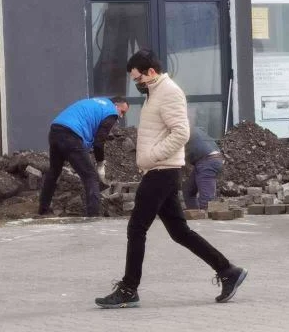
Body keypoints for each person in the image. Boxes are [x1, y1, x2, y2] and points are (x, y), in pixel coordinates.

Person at [95, 49, 247, 309]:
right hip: (160, 170)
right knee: (179, 232)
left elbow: (181, 133)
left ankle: (129, 288)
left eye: (137, 79)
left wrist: (152, 156)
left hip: (162, 170)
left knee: (136, 228)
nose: (137, 84)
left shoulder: (169, 92)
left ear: (150, 72)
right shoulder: (156, 92)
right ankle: (228, 271)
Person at [38, 96, 129, 217]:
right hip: (71, 134)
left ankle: (43, 210)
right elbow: (99, 142)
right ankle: (93, 216)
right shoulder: (111, 112)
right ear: (116, 105)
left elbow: (87, 127)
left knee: (54, 171)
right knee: (91, 176)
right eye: (122, 112)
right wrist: (100, 164)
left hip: (55, 129)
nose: (121, 116)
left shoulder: (96, 103)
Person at [183, 126, 224, 211]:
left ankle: (208, 216)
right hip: (210, 159)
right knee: (188, 190)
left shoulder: (181, 131)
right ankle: (193, 213)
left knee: (206, 200)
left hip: (208, 161)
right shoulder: (195, 128)